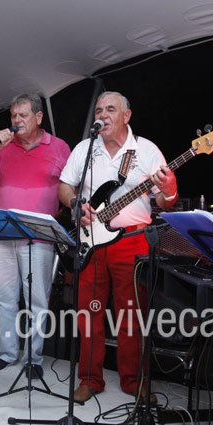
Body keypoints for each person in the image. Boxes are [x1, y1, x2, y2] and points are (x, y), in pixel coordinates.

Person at [57, 91, 178, 403]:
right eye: (99, 109)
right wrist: (75, 203)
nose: (103, 115)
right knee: (88, 313)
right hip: (91, 242)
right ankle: (89, 379)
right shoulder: (86, 148)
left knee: (131, 315)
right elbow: (64, 186)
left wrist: (170, 189)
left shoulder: (146, 150)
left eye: (110, 109)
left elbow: (164, 201)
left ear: (127, 116)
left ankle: (134, 381)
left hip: (132, 241)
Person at [0, 93, 71, 378]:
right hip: (2, 235)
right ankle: (6, 352)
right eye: (13, 115)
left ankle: (33, 358)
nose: (16, 121)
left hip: (38, 237)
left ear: (38, 117)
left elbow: (71, 185)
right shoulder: (4, 147)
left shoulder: (59, 147)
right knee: (2, 297)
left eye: (23, 115)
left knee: (37, 300)